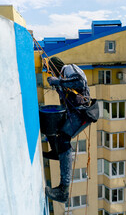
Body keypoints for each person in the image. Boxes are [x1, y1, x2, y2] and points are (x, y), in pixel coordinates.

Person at [44, 56, 90, 203]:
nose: (53, 74)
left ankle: (63, 190)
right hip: (73, 111)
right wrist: (59, 85)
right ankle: (56, 152)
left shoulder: (69, 68)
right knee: (56, 129)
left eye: (52, 70)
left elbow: (80, 81)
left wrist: (59, 81)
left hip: (81, 111)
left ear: (57, 67)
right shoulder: (64, 77)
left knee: (64, 138)